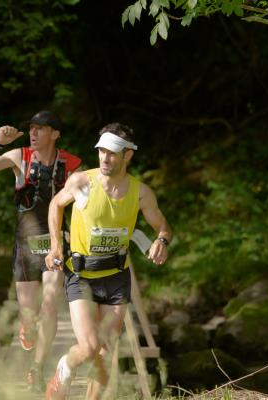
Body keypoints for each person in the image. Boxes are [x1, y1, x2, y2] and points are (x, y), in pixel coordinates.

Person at [44, 122, 172, 400]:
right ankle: (65, 366)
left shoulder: (140, 193)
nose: (104, 157)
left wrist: (161, 241)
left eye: (112, 153)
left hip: (116, 277)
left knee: (105, 352)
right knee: (89, 348)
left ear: (128, 155)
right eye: (101, 151)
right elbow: (56, 204)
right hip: (81, 275)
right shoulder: (82, 182)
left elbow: (163, 227)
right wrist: (56, 245)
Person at [0, 110, 81, 393]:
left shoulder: (71, 165)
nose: (33, 133)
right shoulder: (20, 157)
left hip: (56, 243)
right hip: (25, 246)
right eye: (31, 128)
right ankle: (27, 329)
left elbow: (89, 199)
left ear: (55, 134)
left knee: (50, 302)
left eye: (40, 129)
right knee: (30, 313)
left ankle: (37, 367)